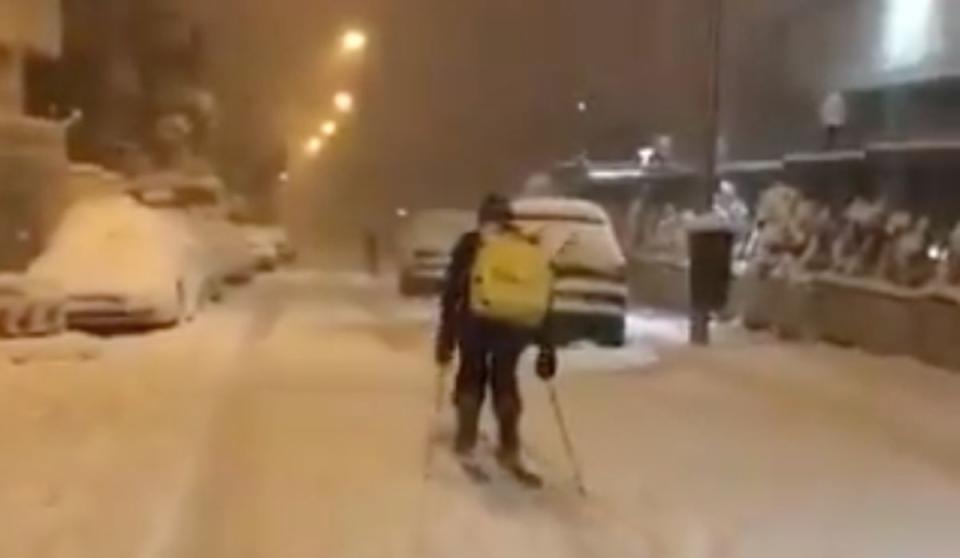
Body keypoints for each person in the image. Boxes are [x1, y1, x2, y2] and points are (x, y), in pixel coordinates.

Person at [435, 194, 557, 479]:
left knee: (471, 375)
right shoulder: (528, 247)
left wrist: (446, 336)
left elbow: (452, 292)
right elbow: (544, 296)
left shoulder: (471, 245)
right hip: (513, 326)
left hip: (475, 324)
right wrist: (546, 347)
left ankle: (466, 439)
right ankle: (509, 444)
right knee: (505, 378)